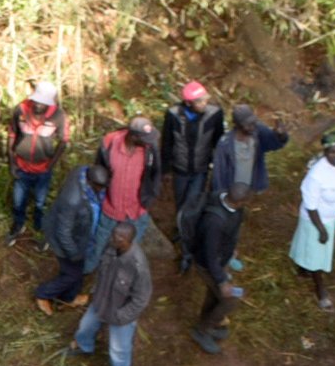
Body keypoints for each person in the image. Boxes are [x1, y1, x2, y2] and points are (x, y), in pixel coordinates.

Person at [73, 218, 152, 366]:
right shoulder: (111, 248)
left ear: (129, 241)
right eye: (114, 234)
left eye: (119, 238)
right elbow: (102, 272)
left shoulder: (138, 266)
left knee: (119, 349)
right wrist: (95, 292)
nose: (113, 239)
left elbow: (141, 299)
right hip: (101, 300)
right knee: (85, 327)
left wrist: (122, 316)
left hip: (120, 312)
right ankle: (84, 346)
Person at [210, 103, 290, 266]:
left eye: (254, 122)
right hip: (232, 192)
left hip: (249, 187)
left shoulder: (257, 132)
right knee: (228, 223)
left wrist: (280, 135)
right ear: (238, 125)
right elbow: (218, 173)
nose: (253, 126)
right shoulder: (225, 144)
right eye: (248, 124)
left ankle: (230, 248)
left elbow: (274, 144)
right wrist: (221, 197)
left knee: (238, 219)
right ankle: (227, 252)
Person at [162, 80, 225, 266]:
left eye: (205, 100)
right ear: (188, 103)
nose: (204, 104)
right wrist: (166, 170)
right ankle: (181, 230)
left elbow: (218, 141)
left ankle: (187, 247)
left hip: (200, 169)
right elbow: (166, 143)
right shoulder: (173, 116)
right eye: (199, 102)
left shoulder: (214, 115)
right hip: (180, 169)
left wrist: (217, 166)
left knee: (192, 203)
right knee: (181, 202)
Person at [33, 160, 107, 314]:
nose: (102, 190)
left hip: (79, 235)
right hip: (65, 240)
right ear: (90, 181)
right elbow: (63, 232)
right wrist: (73, 254)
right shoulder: (72, 200)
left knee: (77, 270)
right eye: (99, 187)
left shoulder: (82, 170)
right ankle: (43, 294)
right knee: (71, 274)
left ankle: (68, 298)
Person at [290, 136, 335, 308]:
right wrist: (321, 230)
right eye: (332, 152)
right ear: (325, 152)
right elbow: (311, 207)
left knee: (308, 246)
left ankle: (302, 268)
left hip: (331, 217)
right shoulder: (316, 176)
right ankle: (321, 291)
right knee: (317, 255)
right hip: (316, 220)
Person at [91, 115, 161, 264]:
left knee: (129, 251)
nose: (149, 141)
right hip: (110, 208)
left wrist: (149, 199)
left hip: (136, 210)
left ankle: (118, 277)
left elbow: (155, 173)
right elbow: (99, 171)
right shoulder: (110, 142)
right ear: (134, 136)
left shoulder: (150, 148)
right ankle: (87, 274)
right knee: (98, 247)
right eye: (145, 139)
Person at [189, 182, 250, 353]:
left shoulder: (229, 203)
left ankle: (206, 323)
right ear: (240, 202)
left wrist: (231, 250)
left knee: (214, 296)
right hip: (207, 264)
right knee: (230, 300)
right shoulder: (214, 222)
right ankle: (202, 331)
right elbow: (210, 256)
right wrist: (222, 281)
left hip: (220, 259)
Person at [7, 79, 67, 242]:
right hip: (21, 165)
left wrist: (51, 165)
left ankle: (39, 227)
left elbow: (63, 142)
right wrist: (12, 163)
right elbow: (12, 135)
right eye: (37, 102)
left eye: (43, 103)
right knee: (18, 201)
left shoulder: (58, 115)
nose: (38, 106)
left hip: (43, 168)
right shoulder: (20, 110)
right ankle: (19, 224)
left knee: (40, 202)